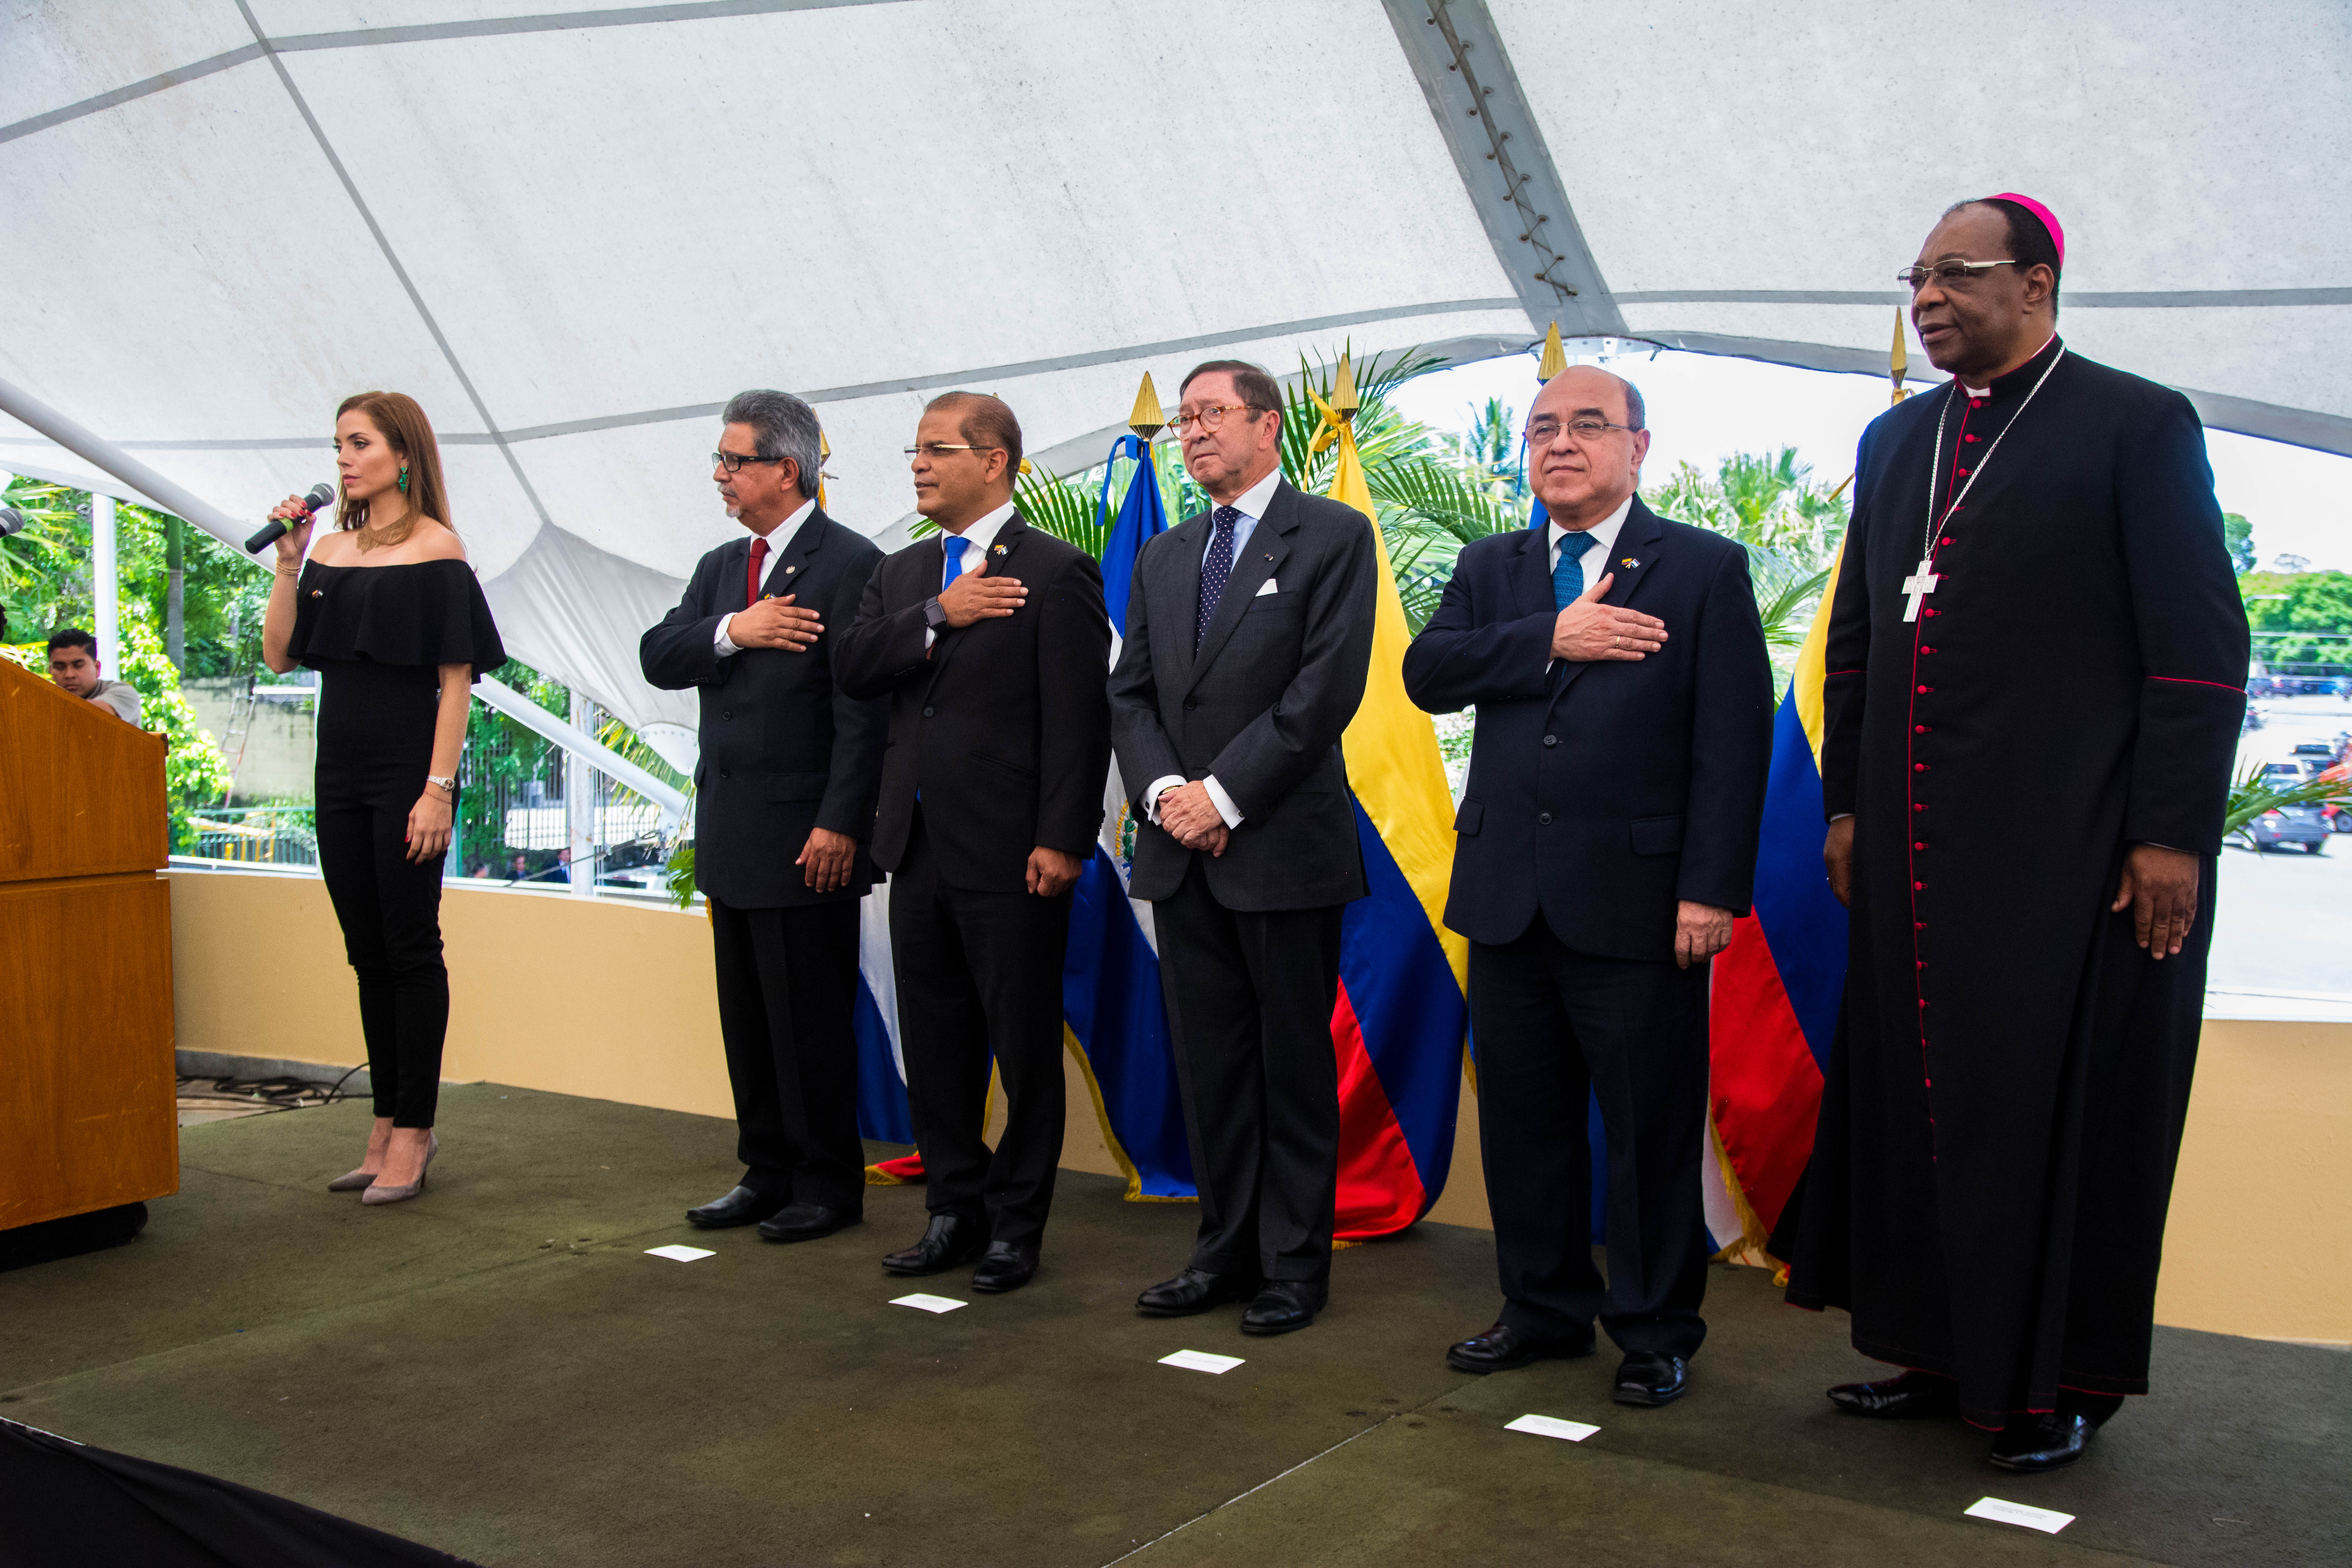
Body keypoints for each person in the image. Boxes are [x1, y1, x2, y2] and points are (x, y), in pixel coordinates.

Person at [1787, 196, 2250, 1471]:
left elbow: (2202, 650)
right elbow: (1862, 644)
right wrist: (1844, 805)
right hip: (1916, 852)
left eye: (1956, 275)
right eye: (1916, 278)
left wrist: (2170, 835)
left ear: (2037, 284)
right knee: (1923, 1100)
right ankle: (1936, 1351)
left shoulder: (2136, 425)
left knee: (2056, 1111)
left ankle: (2060, 1380)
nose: (1927, 298)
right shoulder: (1898, 444)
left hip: (2070, 848)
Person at [1403, 367, 1771, 1405]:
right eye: (1543, 428)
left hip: (1644, 904)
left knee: (1648, 1127)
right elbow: (1428, 675)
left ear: (1639, 447)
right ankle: (1542, 1310)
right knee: (1525, 1123)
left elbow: (1731, 746)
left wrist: (1710, 892)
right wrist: (1548, 639)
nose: (1562, 444)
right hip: (1507, 898)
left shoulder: (1701, 570)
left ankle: (1655, 1330)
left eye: (1589, 426)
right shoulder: (1493, 565)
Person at [1109, 361, 1377, 1336]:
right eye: (1184, 419)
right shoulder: (1166, 554)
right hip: (1182, 851)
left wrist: (1223, 794)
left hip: (1280, 847)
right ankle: (1221, 1252)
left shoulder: (1335, 535)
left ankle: (1294, 1265)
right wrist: (1168, 794)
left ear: (1268, 424)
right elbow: (1129, 692)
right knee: (1211, 1066)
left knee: (1292, 1068)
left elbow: (1324, 690)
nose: (1192, 432)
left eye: (1211, 414)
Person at [836, 392, 1111, 1294]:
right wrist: (940, 615)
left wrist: (1063, 836)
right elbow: (857, 664)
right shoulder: (903, 572)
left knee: (1025, 1049)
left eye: (936, 449)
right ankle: (954, 1209)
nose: (916, 464)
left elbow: (1077, 719)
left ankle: (1016, 1228)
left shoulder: (1058, 569)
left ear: (994, 461)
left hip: (1014, 853)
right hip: (914, 848)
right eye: (913, 450)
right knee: (939, 1042)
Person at [642, 389, 887, 1242]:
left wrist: (841, 820)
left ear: (786, 469)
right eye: (719, 459)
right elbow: (660, 654)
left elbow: (863, 709)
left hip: (807, 832)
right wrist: (735, 630)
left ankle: (826, 1181)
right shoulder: (721, 568)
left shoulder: (851, 560)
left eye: (732, 459)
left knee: (808, 1016)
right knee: (746, 1012)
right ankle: (767, 1167)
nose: (719, 475)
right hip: (733, 825)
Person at [261, 390, 503, 1207]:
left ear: (403, 454)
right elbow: (283, 655)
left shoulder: (439, 549)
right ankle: (386, 1118)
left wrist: (437, 791)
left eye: (359, 443)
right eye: (337, 445)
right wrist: (290, 560)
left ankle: (415, 1128)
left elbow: (457, 681)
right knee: (366, 950)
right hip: (339, 773)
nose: (343, 459)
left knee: (409, 947)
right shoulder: (329, 547)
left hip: (409, 771)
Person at [45, 628, 141, 723]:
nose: (69, 675)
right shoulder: (46, 699)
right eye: (60, 667)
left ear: (97, 668)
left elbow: (92, 716)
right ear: (50, 671)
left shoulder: (124, 693)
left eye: (78, 666)